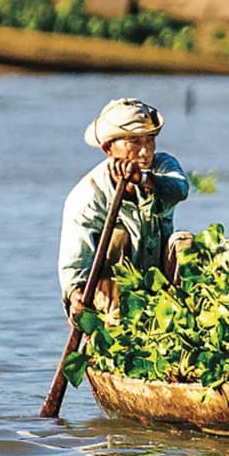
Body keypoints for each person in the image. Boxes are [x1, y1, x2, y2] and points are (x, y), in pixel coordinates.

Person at [58, 97, 191, 313]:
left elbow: (179, 189)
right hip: (112, 296)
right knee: (118, 237)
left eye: (150, 140)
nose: (145, 152)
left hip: (160, 284)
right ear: (108, 148)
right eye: (135, 142)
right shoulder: (87, 195)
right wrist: (76, 295)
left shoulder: (163, 166)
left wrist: (144, 180)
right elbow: (75, 263)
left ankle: (184, 316)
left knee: (184, 242)